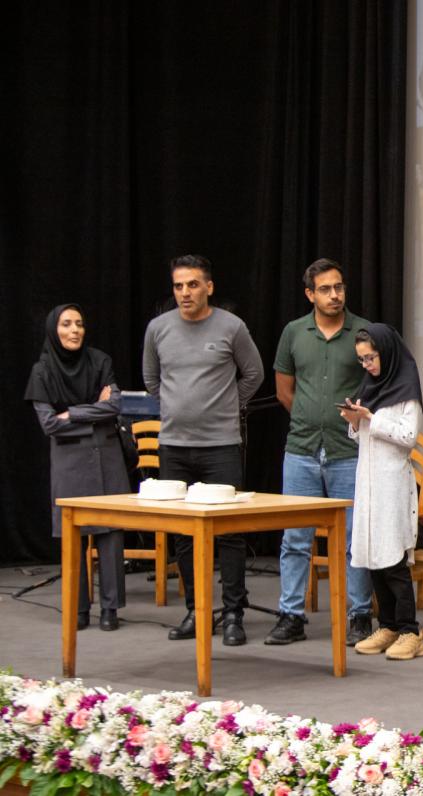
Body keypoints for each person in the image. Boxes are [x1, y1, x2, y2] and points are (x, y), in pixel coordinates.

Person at [143, 255, 264, 646]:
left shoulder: (231, 326)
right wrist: (176, 408)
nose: (185, 292)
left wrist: (227, 406)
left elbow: (254, 374)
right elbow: (151, 380)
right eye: (178, 286)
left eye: (193, 284)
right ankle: (197, 611)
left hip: (221, 446)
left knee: (228, 534)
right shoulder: (158, 329)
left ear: (208, 287)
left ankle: (233, 614)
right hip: (174, 446)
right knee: (183, 535)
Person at [268, 259, 373, 647]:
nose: (335, 295)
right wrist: (311, 418)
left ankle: (359, 615)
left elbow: (375, 386)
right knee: (295, 538)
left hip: (349, 451)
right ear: (310, 294)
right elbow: (284, 391)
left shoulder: (362, 332)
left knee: (353, 539)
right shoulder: (294, 332)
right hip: (302, 450)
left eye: (339, 287)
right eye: (325, 289)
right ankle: (291, 616)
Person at [25, 304, 132, 632]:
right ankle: (79, 607)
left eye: (79, 324)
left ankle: (110, 608)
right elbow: (48, 424)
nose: (74, 330)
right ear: (53, 330)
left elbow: (115, 404)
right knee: (73, 535)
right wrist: (95, 410)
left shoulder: (100, 360)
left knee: (110, 534)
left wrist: (72, 413)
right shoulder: (42, 370)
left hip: (107, 457)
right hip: (70, 462)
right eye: (66, 324)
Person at [341, 324, 423, 662]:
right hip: (368, 481)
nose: (367, 365)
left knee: (392, 558)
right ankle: (388, 626)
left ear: (387, 353)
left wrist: (371, 418)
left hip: (392, 483)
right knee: (372, 556)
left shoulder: (407, 389)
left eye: (371, 358)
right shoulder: (370, 387)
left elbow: (408, 437)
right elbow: (362, 435)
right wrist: (354, 420)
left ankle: (410, 631)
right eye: (362, 360)